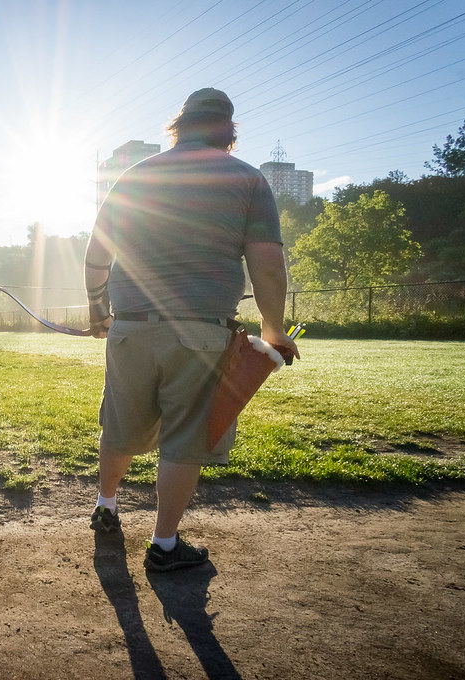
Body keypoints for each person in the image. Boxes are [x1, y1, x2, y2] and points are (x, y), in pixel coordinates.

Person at [84, 87, 299, 572]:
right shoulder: (246, 178)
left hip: (130, 327)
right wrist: (273, 328)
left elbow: (96, 257)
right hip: (201, 331)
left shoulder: (135, 175)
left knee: (120, 424)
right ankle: (163, 547)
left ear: (176, 128)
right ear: (229, 132)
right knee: (185, 439)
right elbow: (267, 263)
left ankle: (106, 506)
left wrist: (99, 311)